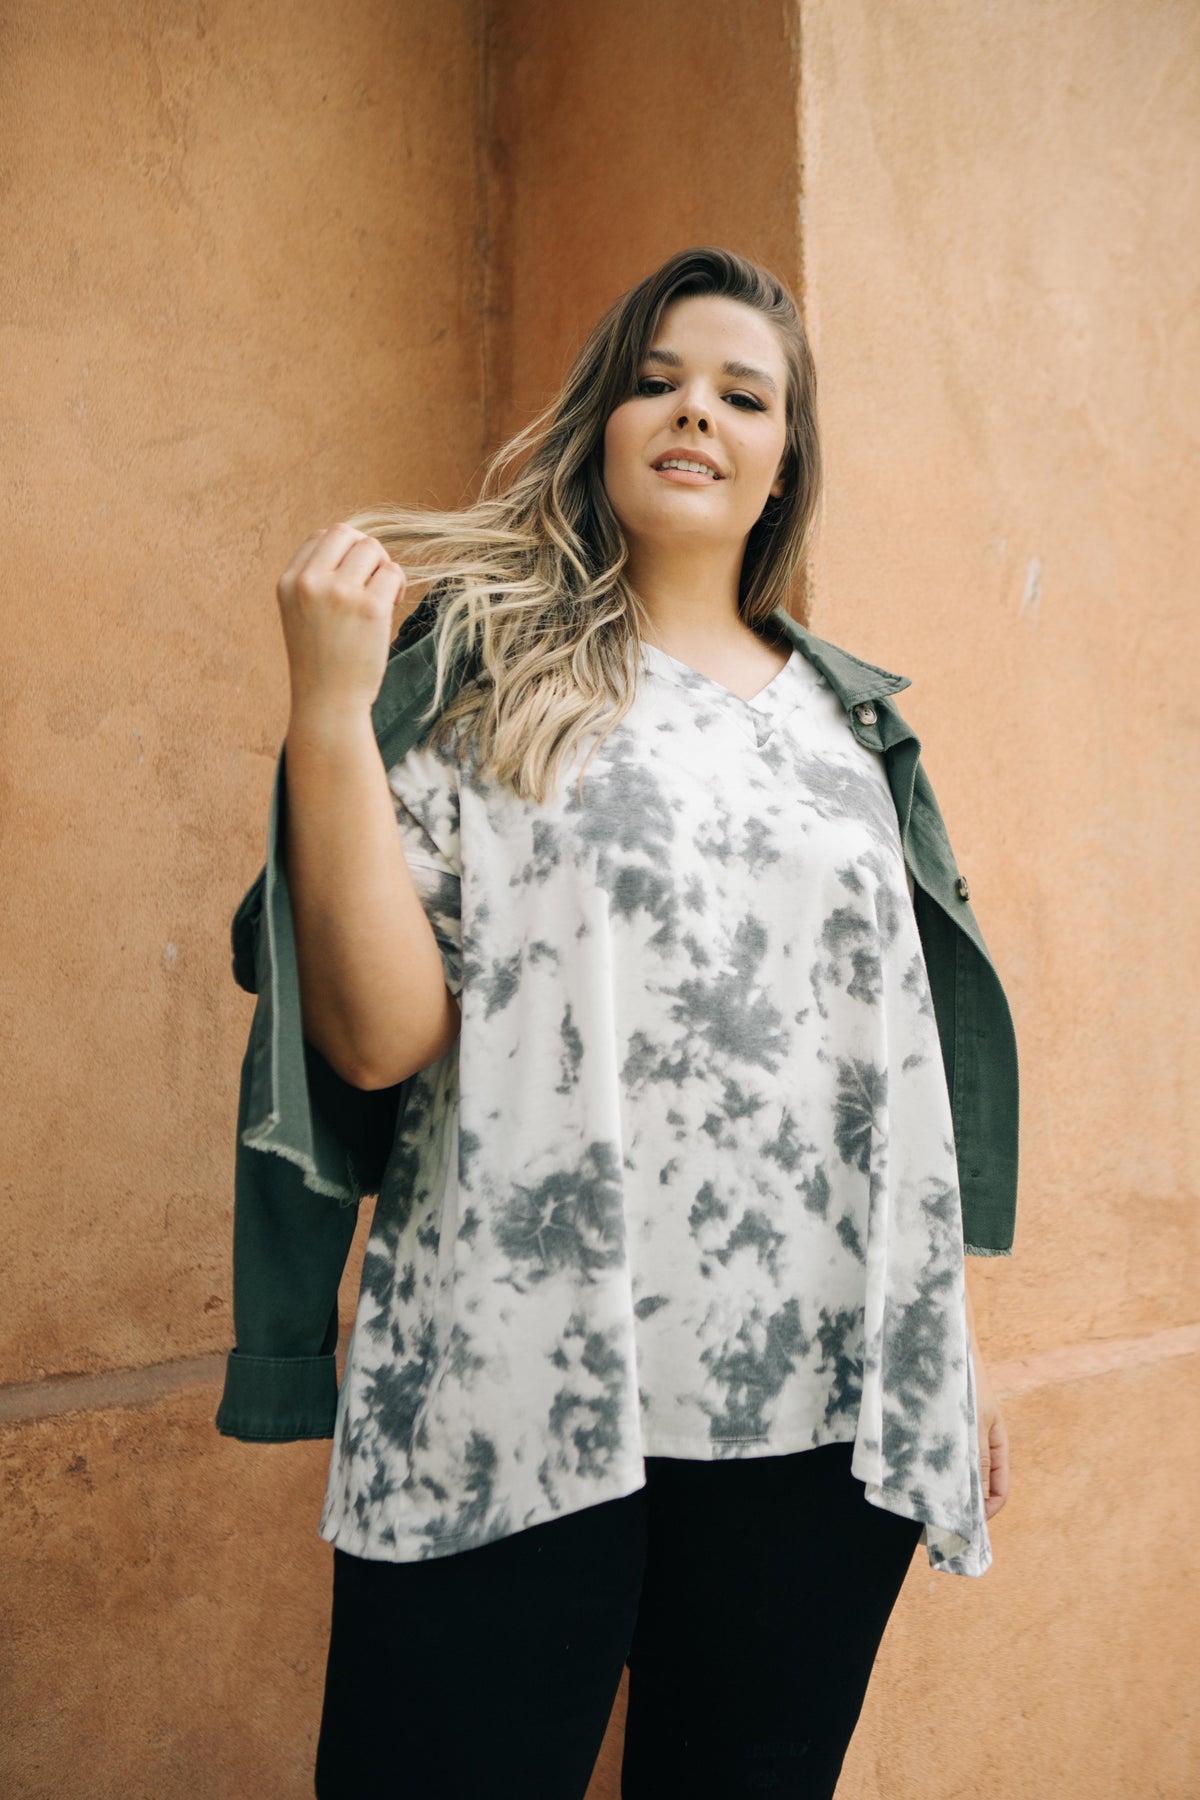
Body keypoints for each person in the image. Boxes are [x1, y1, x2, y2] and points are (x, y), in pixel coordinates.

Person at [232, 246, 1018, 1799]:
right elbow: (378, 1040)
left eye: (744, 395)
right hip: (517, 1381)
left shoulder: (852, 731)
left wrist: (946, 1344)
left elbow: (885, 1070)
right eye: (657, 381)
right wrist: (328, 705)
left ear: (786, 462)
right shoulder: (481, 682)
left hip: (815, 1414)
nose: (696, 412)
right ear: (604, 422)